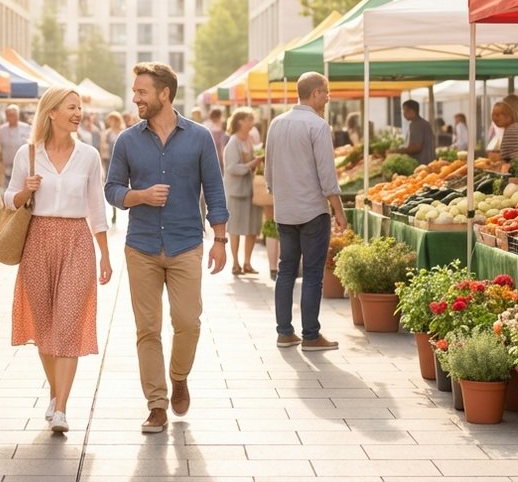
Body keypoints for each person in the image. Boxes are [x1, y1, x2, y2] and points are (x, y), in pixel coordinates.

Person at [106, 62, 229, 434]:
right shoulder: (127, 140)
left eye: (142, 91)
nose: (135, 97)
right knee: (147, 329)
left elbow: (215, 190)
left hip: (186, 243)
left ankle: (179, 377)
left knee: (188, 321)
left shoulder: (199, 137)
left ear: (164, 94)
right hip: (141, 245)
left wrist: (220, 240)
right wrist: (138, 195)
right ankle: (156, 404)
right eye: (135, 91)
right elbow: (110, 189)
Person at [4, 86, 112, 434]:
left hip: (77, 241)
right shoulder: (28, 153)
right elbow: (9, 198)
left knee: (67, 324)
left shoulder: (90, 156)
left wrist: (105, 254)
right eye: (72, 107)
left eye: (80, 108)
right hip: (38, 241)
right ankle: (55, 393)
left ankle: (61, 407)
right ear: (51, 113)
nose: (79, 113)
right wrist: (26, 191)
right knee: (45, 327)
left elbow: (97, 206)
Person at [264, 72, 346, 352]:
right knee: (312, 274)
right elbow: (327, 176)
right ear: (314, 93)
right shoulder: (318, 126)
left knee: (286, 270)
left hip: (284, 210)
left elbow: (269, 171)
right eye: (326, 92)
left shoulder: (276, 123)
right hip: (312, 211)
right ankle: (311, 335)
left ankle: (284, 333)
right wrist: (339, 211)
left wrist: (281, 197)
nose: (328, 97)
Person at [222, 107, 263, 276]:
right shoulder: (233, 142)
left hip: (252, 191)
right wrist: (252, 164)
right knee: (236, 228)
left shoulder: (251, 140)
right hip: (237, 192)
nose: (251, 123)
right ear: (239, 122)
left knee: (252, 228)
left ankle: (247, 262)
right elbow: (232, 168)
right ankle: (235, 263)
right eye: (248, 119)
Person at [393, 100, 435, 166]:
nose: (403, 113)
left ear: (412, 111)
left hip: (421, 164)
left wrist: (396, 151)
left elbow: (416, 147)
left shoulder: (416, 124)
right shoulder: (423, 123)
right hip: (428, 163)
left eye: (405, 110)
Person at [0, 104, 30, 185]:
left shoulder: (26, 127)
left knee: (21, 185)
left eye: (13, 115)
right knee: (8, 185)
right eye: (8, 115)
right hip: (8, 164)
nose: (10, 117)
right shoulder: (2, 129)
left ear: (17, 115)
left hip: (23, 164)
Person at [101, 112, 124, 225]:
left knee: (121, 185)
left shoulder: (122, 132)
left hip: (122, 162)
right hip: (109, 161)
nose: (109, 122)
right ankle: (114, 211)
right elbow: (102, 148)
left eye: (111, 120)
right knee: (111, 185)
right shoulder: (107, 133)